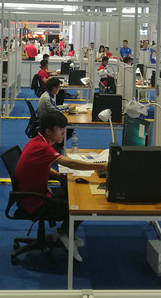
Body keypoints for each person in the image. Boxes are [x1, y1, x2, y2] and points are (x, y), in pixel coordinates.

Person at [14, 111, 107, 262]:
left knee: (75, 194)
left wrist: (60, 177)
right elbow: (70, 163)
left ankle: (65, 232)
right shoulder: (43, 147)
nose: (64, 133)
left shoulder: (37, 141)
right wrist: (102, 166)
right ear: (48, 131)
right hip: (35, 201)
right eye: (60, 129)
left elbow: (44, 166)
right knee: (83, 206)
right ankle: (65, 234)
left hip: (35, 193)